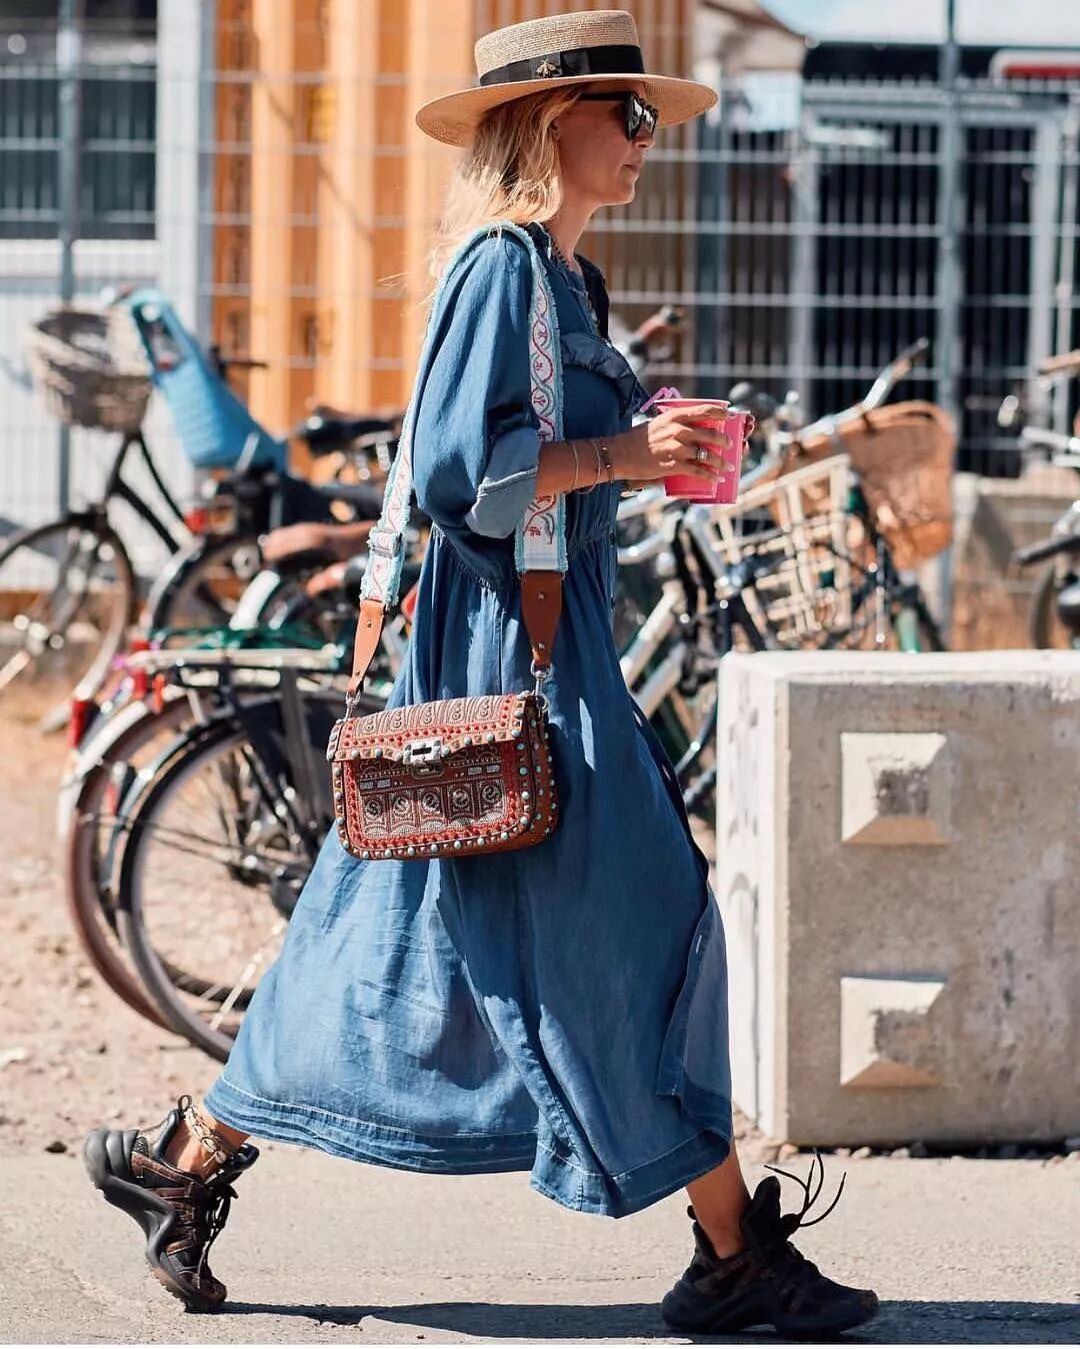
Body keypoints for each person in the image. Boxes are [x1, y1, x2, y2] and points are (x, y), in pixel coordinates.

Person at [83, 12, 879, 1337]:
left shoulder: (572, 281)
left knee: (394, 931)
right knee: (641, 919)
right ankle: (733, 1255)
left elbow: (546, 465)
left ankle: (185, 1156)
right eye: (627, 113)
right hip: (515, 657)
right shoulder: (501, 269)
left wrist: (656, 452)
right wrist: (627, 456)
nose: (647, 138)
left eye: (650, 117)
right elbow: (467, 479)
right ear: (548, 125)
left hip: (551, 645)